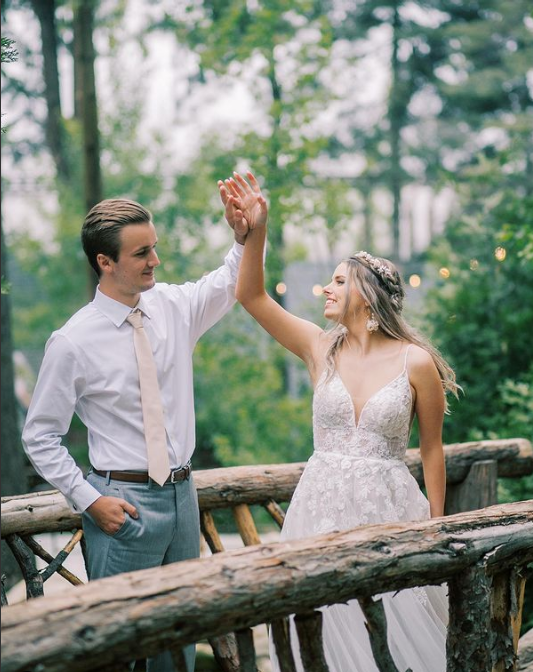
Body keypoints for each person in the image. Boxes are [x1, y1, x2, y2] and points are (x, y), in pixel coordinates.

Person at [219, 171, 459, 672]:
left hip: (391, 513)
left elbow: (432, 448)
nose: (326, 288)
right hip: (319, 509)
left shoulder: (415, 362)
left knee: (399, 633)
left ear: (367, 295)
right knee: (323, 630)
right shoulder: (318, 347)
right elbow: (252, 297)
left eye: (338, 280)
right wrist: (257, 231)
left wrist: (436, 526)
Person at [21, 193, 249, 672]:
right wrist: (88, 500)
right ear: (105, 262)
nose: (156, 261)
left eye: (154, 248)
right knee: (115, 646)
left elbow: (230, 281)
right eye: (142, 253)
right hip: (120, 506)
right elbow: (40, 435)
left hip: (183, 497)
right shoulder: (72, 342)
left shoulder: (171, 306)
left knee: (180, 638)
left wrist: (243, 235)